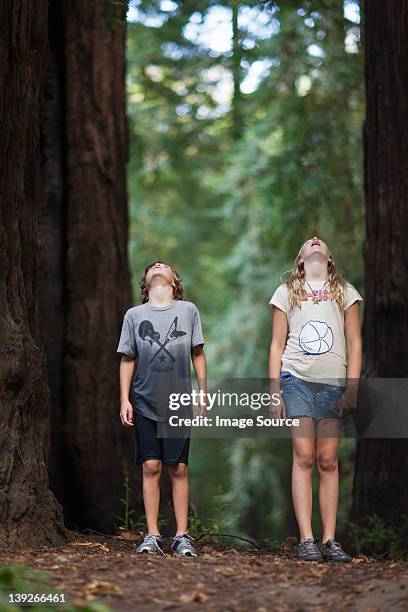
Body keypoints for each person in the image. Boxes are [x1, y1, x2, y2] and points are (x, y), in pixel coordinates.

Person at [269, 236, 363, 562]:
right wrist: (273, 390)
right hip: (295, 380)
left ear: (329, 258)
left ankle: (329, 540)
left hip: (333, 383)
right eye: (309, 244)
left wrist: (352, 387)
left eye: (320, 242)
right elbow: (276, 344)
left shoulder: (345, 292)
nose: (314, 240)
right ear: (300, 260)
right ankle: (306, 539)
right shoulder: (286, 293)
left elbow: (354, 342)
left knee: (327, 460)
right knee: (304, 456)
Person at [117, 261, 207, 557]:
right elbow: (127, 358)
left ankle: (182, 535)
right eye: (153, 266)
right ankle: (152, 534)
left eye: (164, 265)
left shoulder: (188, 310)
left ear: (174, 281)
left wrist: (202, 392)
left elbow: (197, 353)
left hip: (178, 401)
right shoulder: (134, 315)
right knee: (150, 466)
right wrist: (124, 399)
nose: (158, 265)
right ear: (145, 284)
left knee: (178, 468)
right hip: (144, 401)